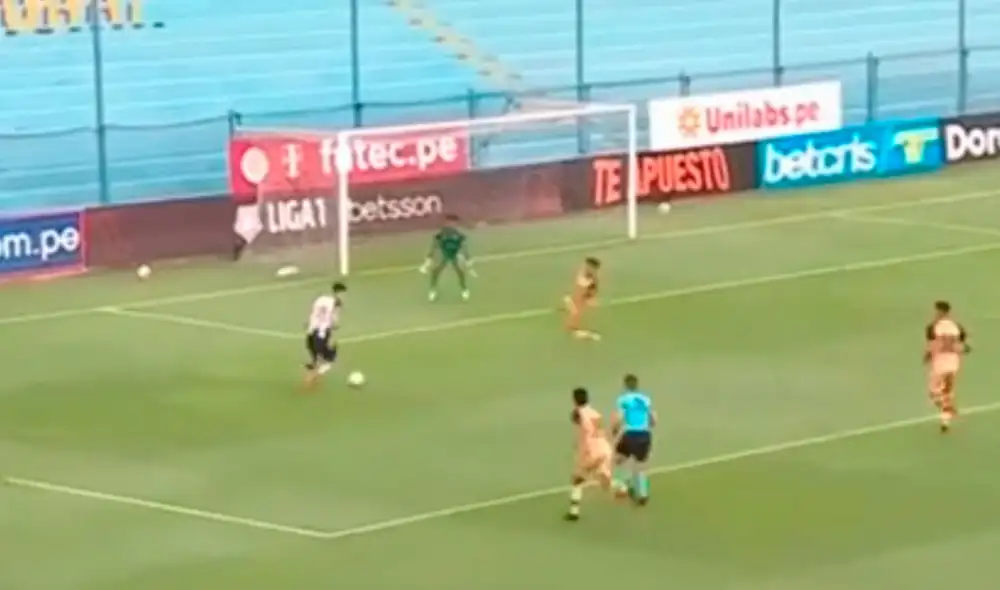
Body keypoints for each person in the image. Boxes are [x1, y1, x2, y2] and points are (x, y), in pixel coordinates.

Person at [566, 386, 613, 521]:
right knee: (603, 480)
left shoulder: (578, 413)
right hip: (604, 449)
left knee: (577, 480)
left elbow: (576, 419)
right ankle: (622, 487)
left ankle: (573, 512)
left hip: (591, 452)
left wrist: (580, 448)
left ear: (575, 400)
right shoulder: (595, 413)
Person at [925, 300, 969, 432]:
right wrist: (961, 348)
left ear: (941, 312)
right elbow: (964, 345)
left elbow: (932, 344)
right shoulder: (957, 326)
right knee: (946, 392)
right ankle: (946, 420)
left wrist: (927, 355)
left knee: (934, 393)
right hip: (953, 363)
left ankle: (948, 412)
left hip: (940, 364)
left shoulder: (932, 327)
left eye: (937, 311)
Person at [611, 374, 656, 505]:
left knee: (619, 459)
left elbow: (619, 417)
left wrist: (614, 429)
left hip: (630, 433)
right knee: (640, 465)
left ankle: (623, 487)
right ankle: (643, 494)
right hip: (644, 434)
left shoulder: (623, 400)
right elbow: (653, 418)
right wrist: (648, 426)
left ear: (625, 385)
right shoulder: (645, 399)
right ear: (637, 385)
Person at [421, 214, 473, 302]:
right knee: (436, 272)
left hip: (454, 254)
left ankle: (464, 290)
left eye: (453, 223)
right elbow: (434, 245)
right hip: (444, 254)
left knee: (460, 272)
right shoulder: (441, 234)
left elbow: (463, 246)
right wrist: (429, 256)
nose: (450, 225)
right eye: (448, 223)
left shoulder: (459, 235)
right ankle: (433, 290)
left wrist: (467, 258)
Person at [304, 282, 346, 388]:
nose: (344, 297)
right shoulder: (331, 304)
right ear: (337, 293)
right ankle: (311, 379)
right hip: (319, 334)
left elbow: (317, 313)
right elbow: (333, 321)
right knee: (329, 359)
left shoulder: (324, 300)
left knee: (318, 359)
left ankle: (313, 376)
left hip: (312, 332)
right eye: (343, 294)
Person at [564, 257, 601, 340]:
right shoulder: (584, 275)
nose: (586, 267)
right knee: (572, 325)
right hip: (579, 300)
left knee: (573, 325)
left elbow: (590, 291)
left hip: (581, 300)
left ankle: (587, 334)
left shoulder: (591, 280)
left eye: (589, 266)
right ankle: (587, 334)